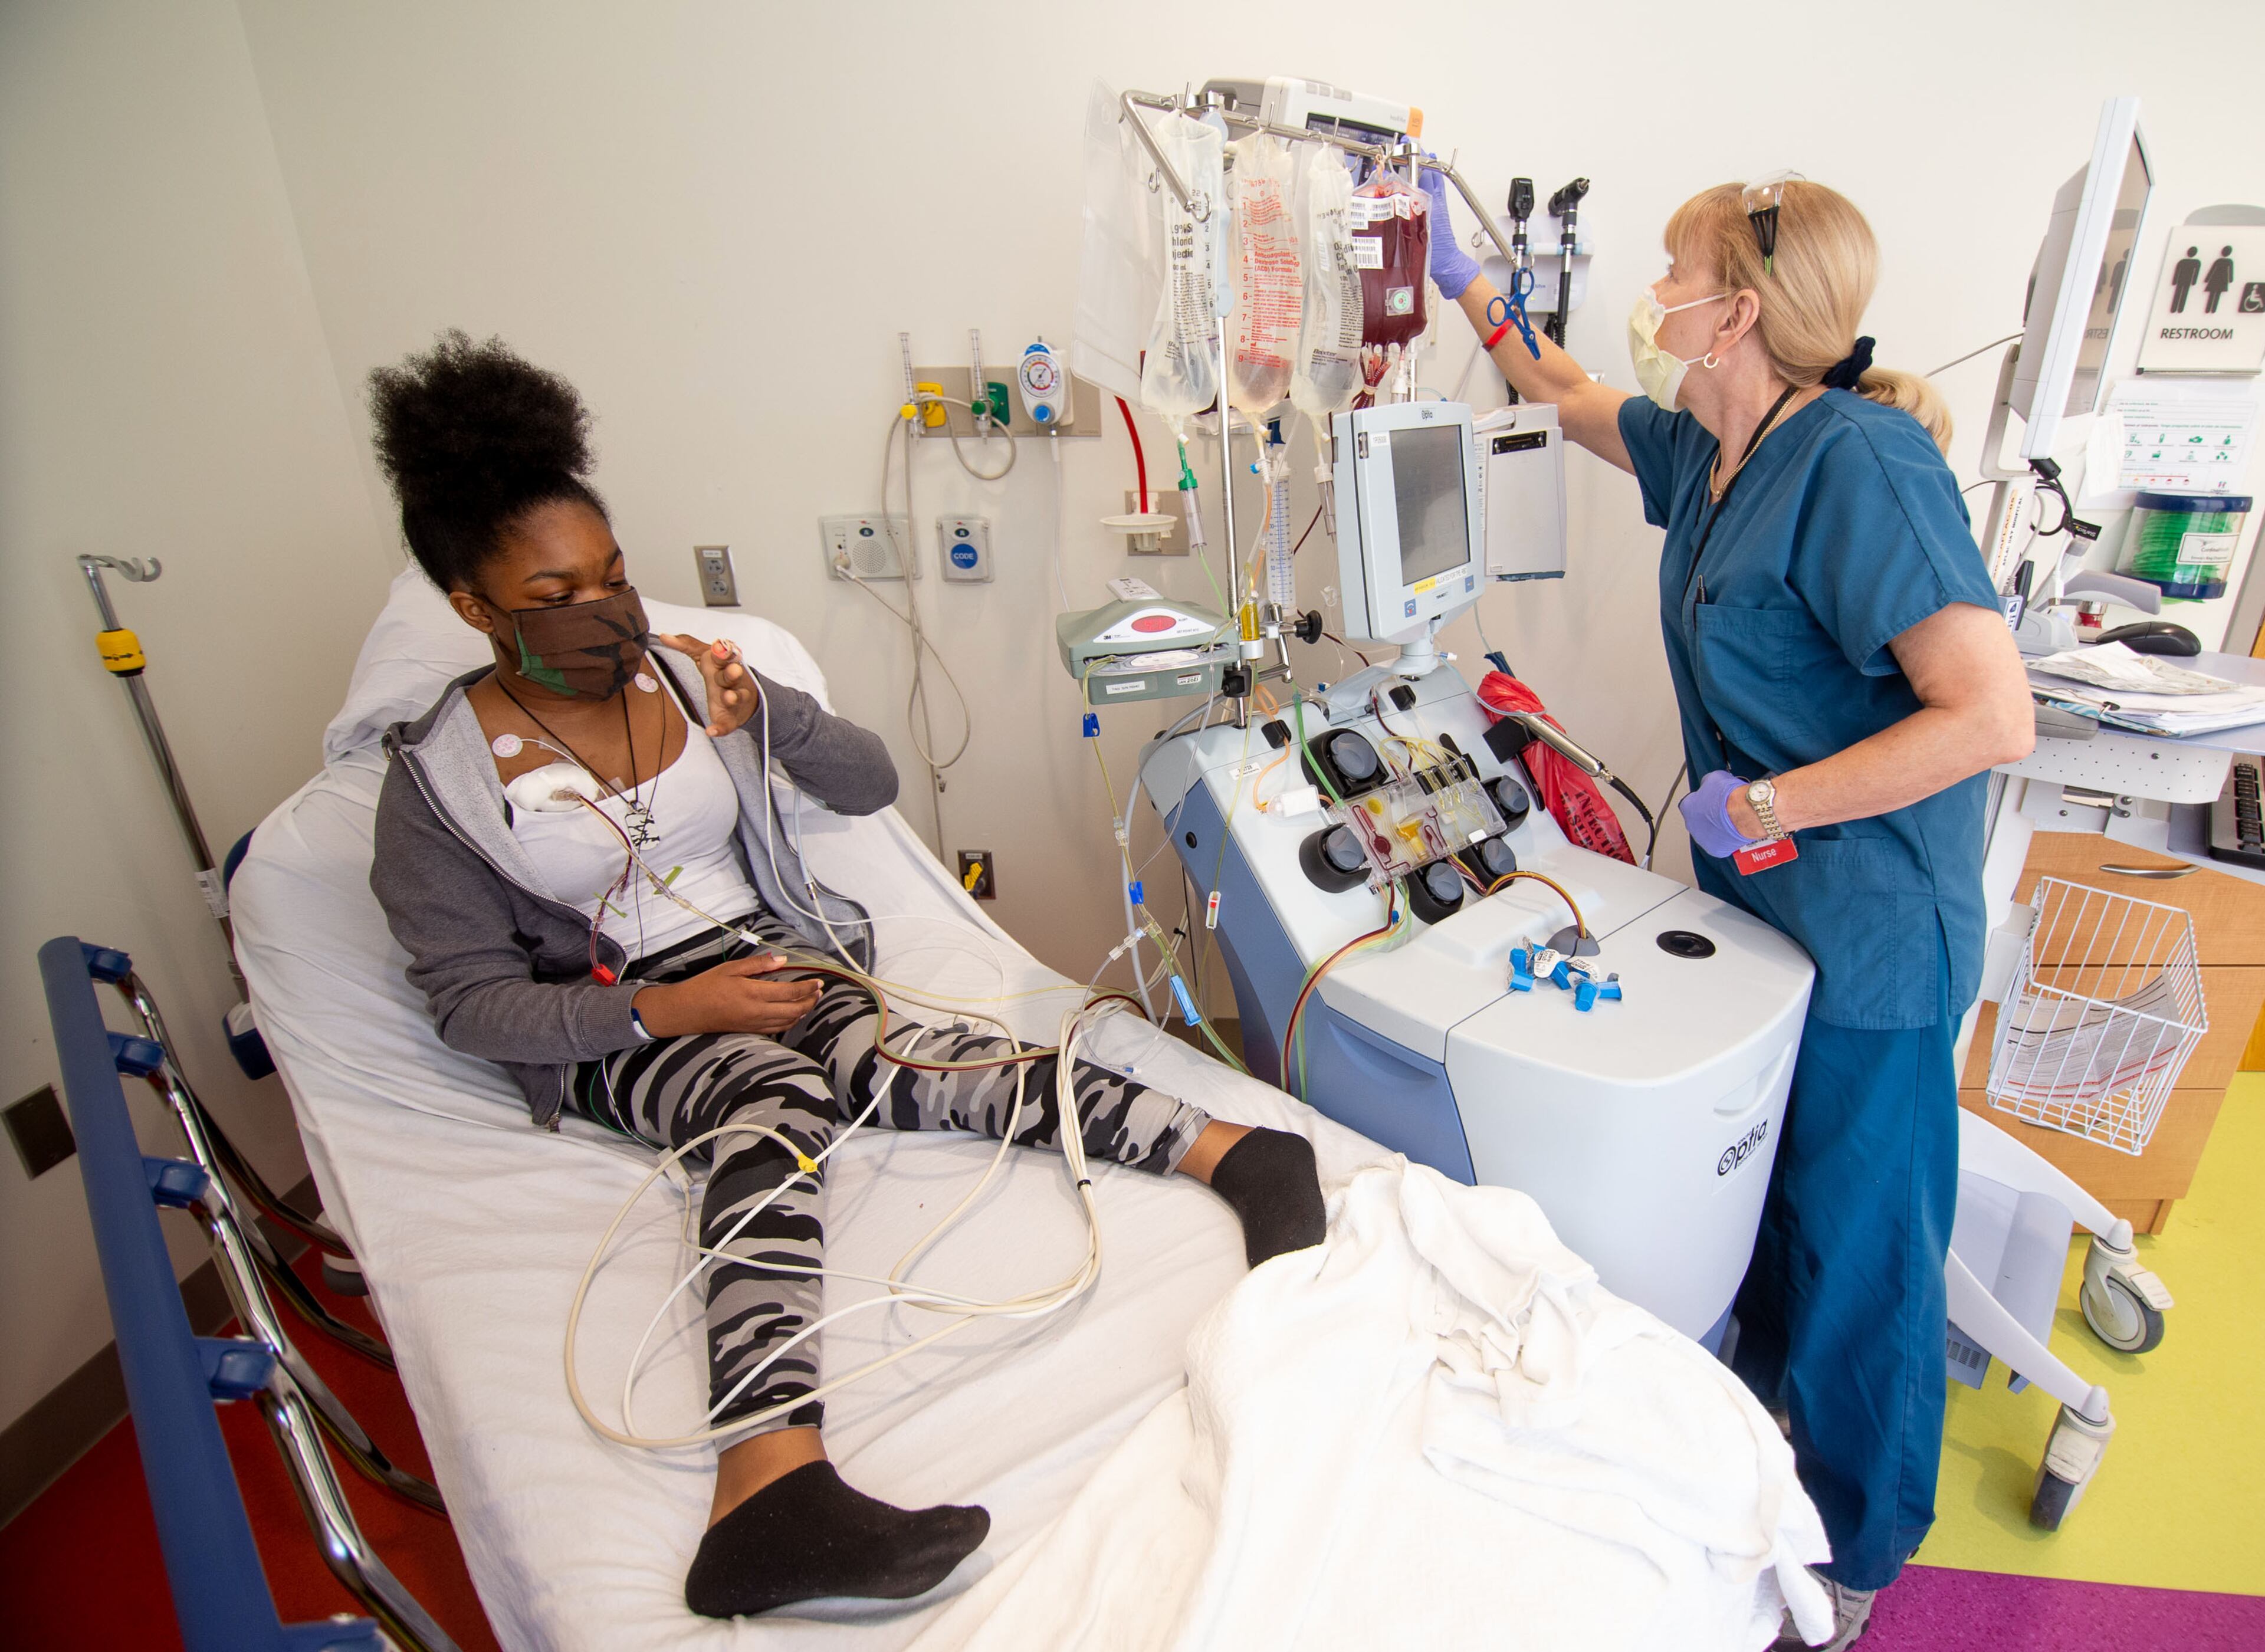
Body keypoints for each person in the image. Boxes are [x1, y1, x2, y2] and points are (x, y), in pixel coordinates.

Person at [363, 332, 1327, 1620]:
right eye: (555, 593)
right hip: (625, 1022)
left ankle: (1235, 1153)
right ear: (474, 608)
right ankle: (765, 1492)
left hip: (773, 958)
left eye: (615, 575)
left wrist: (767, 713)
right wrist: (668, 1008)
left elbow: (868, 787)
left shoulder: (684, 675)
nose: (604, 610)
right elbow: (473, 1006)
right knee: (771, 1101)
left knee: (910, 1059)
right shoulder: (432, 789)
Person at [1421, 174, 2034, 1648]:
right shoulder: (1712, 445)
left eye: (1674, 271)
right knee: (1771, 1199)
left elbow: (1989, 716)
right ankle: (1753, 1451)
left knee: (1864, 1232)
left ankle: (1863, 1548)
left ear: (1738, 310)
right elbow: (1562, 388)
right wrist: (1462, 281)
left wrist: (1764, 807)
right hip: (1767, 908)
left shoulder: (1862, 464)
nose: (1656, 290)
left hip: (1874, 919)